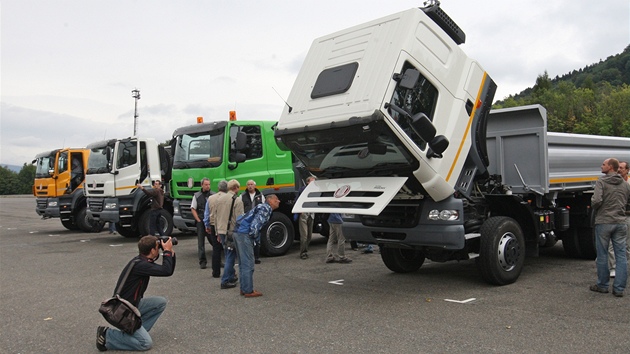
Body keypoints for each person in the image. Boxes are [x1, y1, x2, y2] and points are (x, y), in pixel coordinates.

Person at [96, 235, 176, 351]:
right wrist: (167, 251)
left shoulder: (141, 261)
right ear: (152, 250)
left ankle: (134, 332)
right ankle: (107, 335)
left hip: (133, 304)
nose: (159, 249)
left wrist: (170, 252)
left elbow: (168, 270)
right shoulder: (141, 265)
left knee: (160, 303)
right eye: (157, 248)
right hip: (123, 311)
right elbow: (166, 270)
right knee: (145, 344)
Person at [590, 158, 630, 297]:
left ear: (611, 167)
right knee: (621, 255)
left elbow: (596, 201)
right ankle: (619, 288)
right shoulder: (625, 184)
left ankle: (602, 285)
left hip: (604, 221)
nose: (601, 166)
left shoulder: (602, 181)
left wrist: (597, 208)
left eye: (604, 164)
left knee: (602, 254)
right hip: (620, 221)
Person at [233, 194, 281, 297]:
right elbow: (255, 225)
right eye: (276, 199)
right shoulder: (266, 209)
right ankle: (248, 291)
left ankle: (244, 288)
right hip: (244, 234)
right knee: (249, 263)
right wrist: (254, 239)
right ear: (270, 201)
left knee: (242, 263)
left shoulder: (261, 206)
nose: (279, 201)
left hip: (238, 231)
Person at [215, 179, 244, 289]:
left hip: (222, 230)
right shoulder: (237, 200)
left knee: (227, 253)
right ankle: (225, 280)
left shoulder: (219, 199)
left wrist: (217, 232)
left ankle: (231, 276)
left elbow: (216, 216)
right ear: (236, 188)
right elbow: (239, 219)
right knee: (230, 256)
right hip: (231, 231)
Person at [608, 160, 630, 277]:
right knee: (611, 243)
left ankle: (623, 266)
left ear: (627, 170)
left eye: (622, 168)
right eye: (619, 167)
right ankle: (613, 267)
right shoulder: (613, 182)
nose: (619, 170)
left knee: (626, 244)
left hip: (627, 215)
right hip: (614, 216)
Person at [204, 180, 227, 278]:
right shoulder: (228, 198)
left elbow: (207, 213)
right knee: (228, 248)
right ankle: (229, 272)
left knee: (216, 249)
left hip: (213, 224)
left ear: (218, 188)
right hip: (225, 225)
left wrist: (207, 225)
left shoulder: (210, 198)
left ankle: (216, 272)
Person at [192, 178, 213, 269]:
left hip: (211, 221)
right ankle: (202, 261)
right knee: (201, 243)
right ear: (202, 185)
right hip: (201, 220)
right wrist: (198, 220)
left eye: (209, 184)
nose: (208, 186)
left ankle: (217, 260)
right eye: (206, 184)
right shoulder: (197, 196)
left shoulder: (213, 195)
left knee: (214, 241)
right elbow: (193, 208)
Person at [242, 179, 263, 264]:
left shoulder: (260, 195)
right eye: (248, 184)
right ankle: (248, 257)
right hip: (247, 220)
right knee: (247, 240)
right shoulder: (242, 196)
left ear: (255, 186)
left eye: (251, 184)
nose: (250, 186)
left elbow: (263, 207)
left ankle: (256, 257)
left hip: (257, 220)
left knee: (257, 240)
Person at [297, 176, 316, 259]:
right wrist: (300, 210)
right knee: (304, 236)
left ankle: (305, 250)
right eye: (312, 182)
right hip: (304, 214)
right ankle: (303, 253)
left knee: (309, 236)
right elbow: (297, 200)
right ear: (307, 182)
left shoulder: (315, 191)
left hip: (311, 214)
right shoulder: (302, 190)